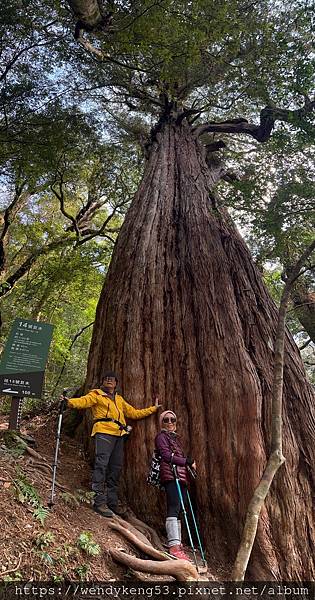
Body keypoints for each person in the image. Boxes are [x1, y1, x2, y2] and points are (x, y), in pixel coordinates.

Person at [65, 371, 161, 518]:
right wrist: (69, 402)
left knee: (115, 468)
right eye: (106, 378)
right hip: (103, 431)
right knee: (101, 465)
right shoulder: (96, 395)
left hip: (119, 435)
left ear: (116, 383)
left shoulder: (119, 399)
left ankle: (112, 502)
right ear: (102, 381)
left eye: (112, 379)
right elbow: (83, 401)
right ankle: (99, 501)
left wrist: (153, 409)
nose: (109, 380)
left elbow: (134, 413)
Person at [155, 410, 196, 560]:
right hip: (170, 476)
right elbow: (166, 456)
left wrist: (187, 465)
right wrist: (187, 461)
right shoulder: (161, 437)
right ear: (162, 423)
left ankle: (177, 543)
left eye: (173, 419)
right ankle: (173, 546)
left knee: (179, 508)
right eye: (166, 420)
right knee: (174, 507)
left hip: (180, 477)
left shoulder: (175, 439)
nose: (170, 422)